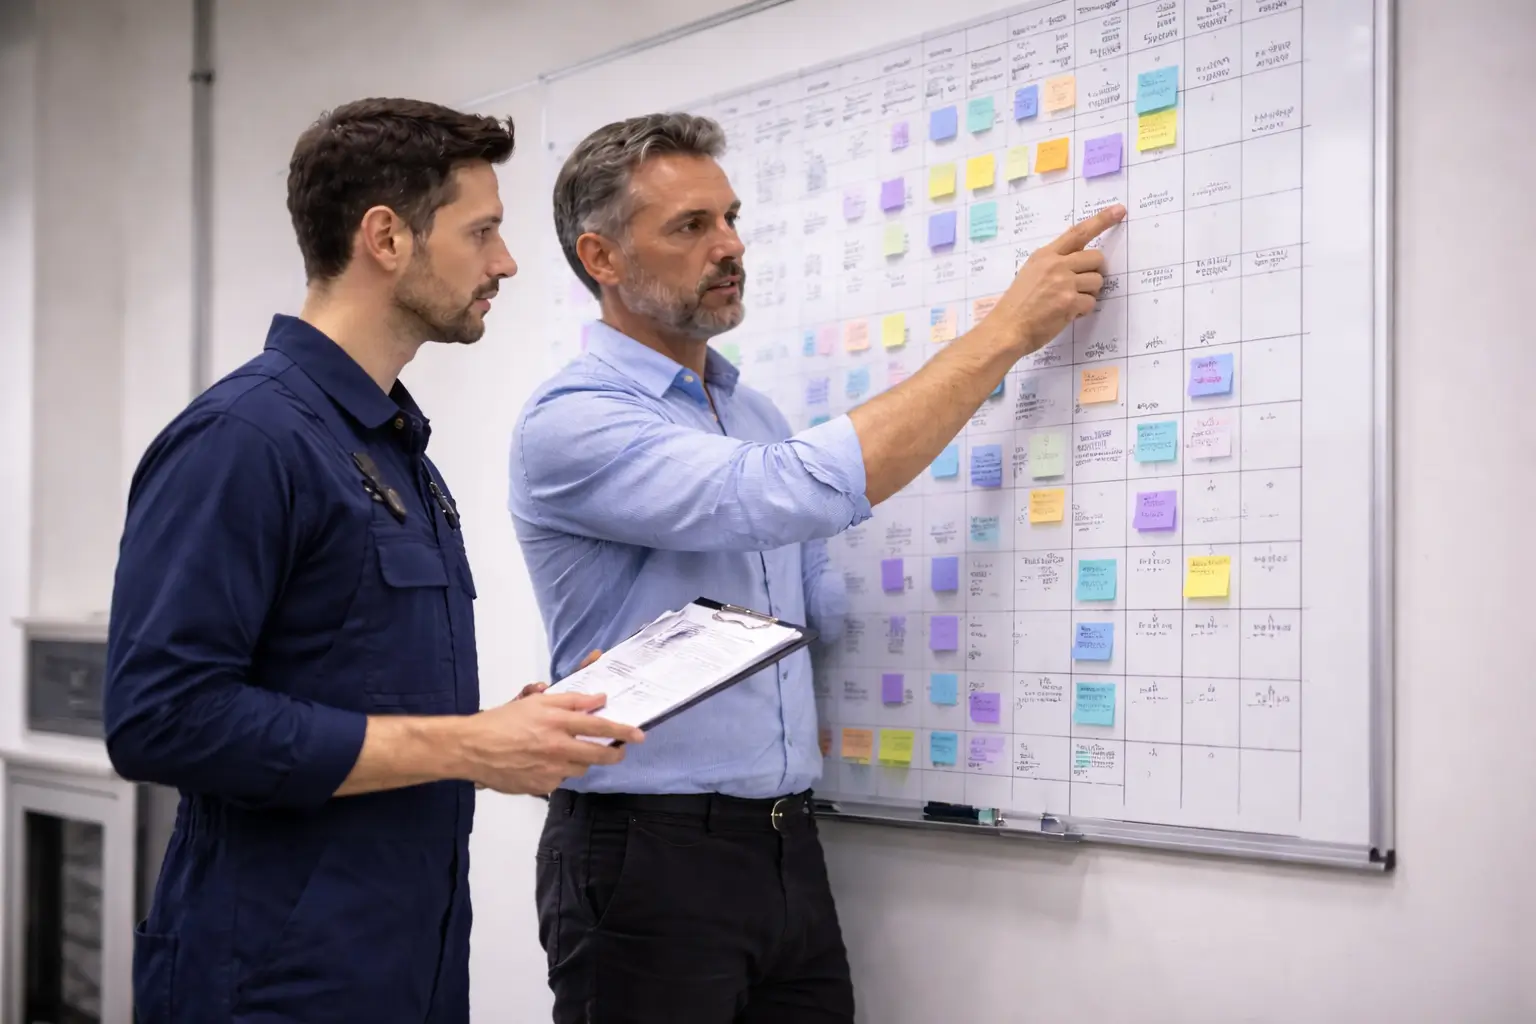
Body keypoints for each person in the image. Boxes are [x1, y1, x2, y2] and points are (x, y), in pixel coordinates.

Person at [508, 111, 1124, 1023]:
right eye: (691, 226)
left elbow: (810, 612)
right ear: (601, 257)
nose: (730, 245)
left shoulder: (750, 412)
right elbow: (775, 493)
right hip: (646, 849)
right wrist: (1004, 334)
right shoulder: (574, 418)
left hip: (784, 838)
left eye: (730, 218)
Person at [103, 97, 643, 1024]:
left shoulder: (394, 451)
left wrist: (507, 730)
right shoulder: (243, 439)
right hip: (272, 987)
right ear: (387, 238)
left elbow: (350, 687)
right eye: (482, 232)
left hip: (410, 969)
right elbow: (161, 718)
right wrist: (468, 745)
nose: (506, 262)